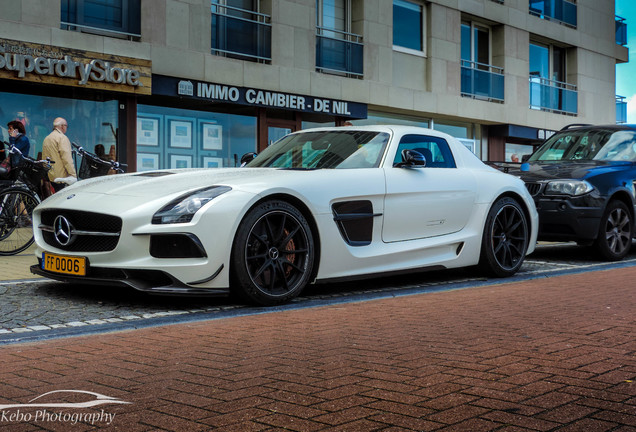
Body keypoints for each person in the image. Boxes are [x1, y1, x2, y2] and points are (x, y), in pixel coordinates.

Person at [42, 117, 77, 192]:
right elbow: (67, 159)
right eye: (66, 126)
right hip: (61, 176)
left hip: (51, 175)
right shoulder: (62, 138)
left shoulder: (47, 138)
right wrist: (73, 175)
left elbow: (45, 158)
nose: (66, 128)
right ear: (62, 126)